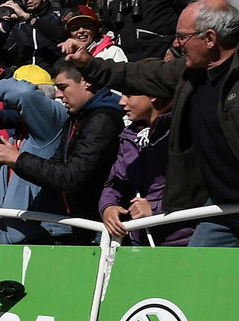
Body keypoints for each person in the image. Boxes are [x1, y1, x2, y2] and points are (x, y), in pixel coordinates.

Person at [60, 0, 239, 246]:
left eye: (182, 37)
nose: (176, 44)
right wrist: (87, 63)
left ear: (210, 38)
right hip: (219, 208)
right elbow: (137, 75)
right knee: (198, 274)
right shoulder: (189, 73)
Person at [0, 60, 124, 244]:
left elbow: (70, 176)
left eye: (63, 87)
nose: (59, 94)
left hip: (76, 230)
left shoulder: (88, 118)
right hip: (34, 234)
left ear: (86, 82)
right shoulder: (74, 118)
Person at [99, 92, 194, 246]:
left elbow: (199, 189)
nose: (121, 102)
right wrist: (108, 206)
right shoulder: (129, 134)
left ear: (153, 96)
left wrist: (155, 209)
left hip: (183, 241)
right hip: (139, 237)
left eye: (128, 95)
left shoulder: (185, 131)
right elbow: (115, 181)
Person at [0, 0, 68, 73]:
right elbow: (5, 55)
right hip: (26, 80)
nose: (26, 0)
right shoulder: (19, 23)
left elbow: (63, 37)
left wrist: (29, 18)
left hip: (57, 75)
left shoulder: (61, 14)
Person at [99, 0, 191, 62]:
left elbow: (194, 15)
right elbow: (107, 30)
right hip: (127, 69)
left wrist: (175, 50)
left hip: (164, 64)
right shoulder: (110, 3)